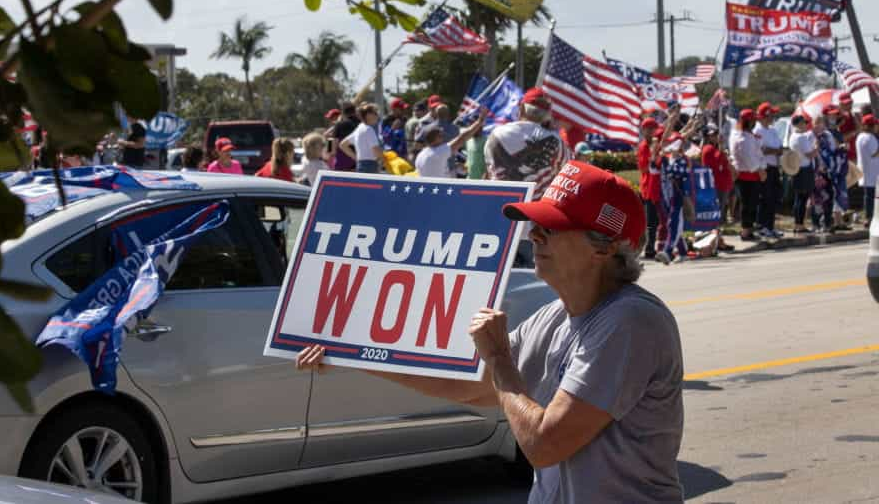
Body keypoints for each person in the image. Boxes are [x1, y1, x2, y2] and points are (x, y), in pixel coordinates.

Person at [296, 160, 685, 504]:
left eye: (552, 227)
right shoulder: (555, 317)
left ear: (604, 248)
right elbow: (472, 386)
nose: (534, 235)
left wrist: (499, 357)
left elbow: (545, 444)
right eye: (536, 224)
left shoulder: (631, 322)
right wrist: (354, 353)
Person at [484, 87, 568, 187]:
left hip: (501, 199)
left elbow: (489, 171)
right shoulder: (555, 140)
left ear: (522, 109)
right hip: (536, 201)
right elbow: (567, 171)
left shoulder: (496, 134)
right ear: (547, 116)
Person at [730, 108, 766, 241]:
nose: (755, 122)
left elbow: (758, 154)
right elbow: (750, 158)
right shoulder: (742, 138)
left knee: (752, 204)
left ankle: (749, 229)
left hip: (752, 174)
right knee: (747, 204)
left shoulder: (747, 136)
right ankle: (745, 231)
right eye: (753, 120)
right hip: (747, 174)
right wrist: (760, 169)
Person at [415, 111, 485, 178]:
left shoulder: (420, 155)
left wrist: (455, 167)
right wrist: (479, 121)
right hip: (441, 189)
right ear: (435, 138)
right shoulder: (440, 151)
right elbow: (462, 138)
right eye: (440, 136)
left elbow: (434, 169)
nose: (443, 138)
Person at [636, 116, 669, 261]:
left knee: (659, 220)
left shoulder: (656, 145)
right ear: (644, 131)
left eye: (654, 129)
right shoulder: (644, 146)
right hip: (649, 189)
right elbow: (643, 168)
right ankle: (649, 249)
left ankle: (657, 246)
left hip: (658, 188)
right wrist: (652, 155)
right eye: (649, 129)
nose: (653, 132)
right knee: (651, 222)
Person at [700, 123, 736, 251]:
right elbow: (718, 163)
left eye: (716, 134)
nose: (716, 136)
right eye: (713, 135)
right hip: (717, 186)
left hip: (722, 185)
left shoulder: (714, 149)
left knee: (719, 216)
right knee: (716, 217)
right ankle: (714, 242)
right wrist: (721, 148)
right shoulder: (709, 149)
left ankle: (718, 241)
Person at [659, 133, 692, 263]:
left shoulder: (683, 160)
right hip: (666, 196)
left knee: (674, 224)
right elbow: (653, 169)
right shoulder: (666, 159)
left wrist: (668, 161)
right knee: (673, 224)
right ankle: (683, 251)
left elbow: (677, 173)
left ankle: (667, 251)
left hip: (677, 198)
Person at [753, 102, 784, 239]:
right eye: (771, 114)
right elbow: (761, 150)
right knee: (765, 198)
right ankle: (762, 226)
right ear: (765, 116)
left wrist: (777, 151)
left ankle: (770, 226)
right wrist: (775, 151)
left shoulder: (773, 130)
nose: (773, 117)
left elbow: (779, 147)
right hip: (764, 167)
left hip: (774, 167)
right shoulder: (758, 131)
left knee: (773, 198)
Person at [788, 114, 817, 233]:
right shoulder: (801, 137)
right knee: (802, 198)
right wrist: (817, 146)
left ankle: (798, 223)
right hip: (804, 168)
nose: (806, 125)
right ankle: (799, 224)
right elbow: (810, 154)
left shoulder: (793, 136)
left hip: (797, 168)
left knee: (799, 198)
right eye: (804, 122)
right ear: (799, 124)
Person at [824, 105, 851, 230]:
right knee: (832, 193)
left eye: (836, 115)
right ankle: (830, 221)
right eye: (832, 115)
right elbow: (828, 149)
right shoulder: (825, 132)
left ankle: (838, 221)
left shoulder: (837, 131)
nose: (834, 117)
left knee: (839, 192)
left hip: (840, 167)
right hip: (831, 167)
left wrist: (843, 147)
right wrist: (840, 147)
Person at [811, 110, 838, 232]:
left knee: (829, 196)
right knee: (817, 198)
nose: (819, 125)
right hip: (816, 171)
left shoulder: (828, 135)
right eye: (817, 122)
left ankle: (828, 222)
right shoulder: (810, 136)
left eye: (821, 122)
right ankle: (816, 223)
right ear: (812, 124)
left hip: (828, 170)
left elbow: (833, 150)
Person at [339, 103, 384, 173]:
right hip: (370, 166)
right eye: (375, 113)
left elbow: (342, 144)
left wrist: (356, 158)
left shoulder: (359, 128)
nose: (377, 116)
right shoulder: (369, 129)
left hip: (359, 165)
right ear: (369, 115)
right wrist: (383, 159)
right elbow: (376, 151)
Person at [856, 114, 879, 226]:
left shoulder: (860, 136)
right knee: (871, 197)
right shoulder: (870, 138)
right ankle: (869, 218)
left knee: (868, 196)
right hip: (872, 172)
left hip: (866, 171)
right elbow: (874, 153)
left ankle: (869, 217)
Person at [328, 103, 360, 172]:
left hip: (342, 165)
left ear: (342, 113)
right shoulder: (362, 125)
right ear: (355, 111)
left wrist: (329, 154)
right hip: (360, 163)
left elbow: (331, 148)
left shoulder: (339, 125)